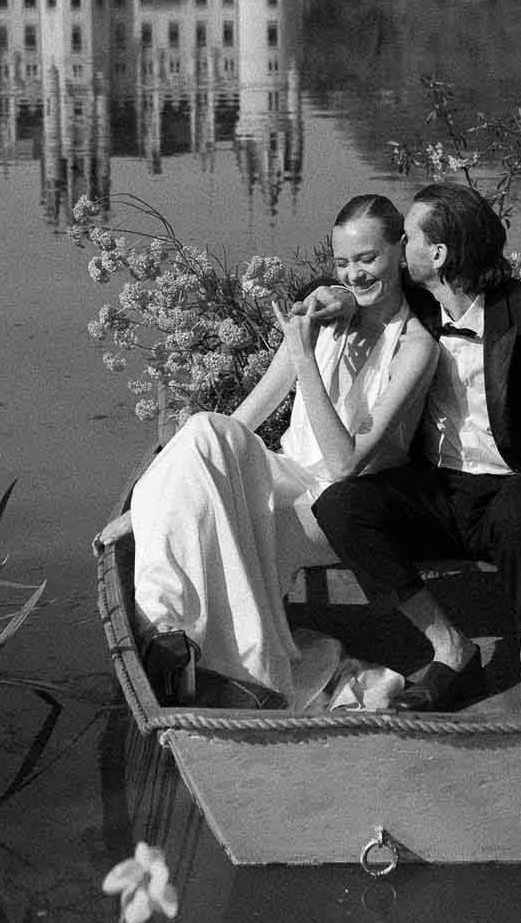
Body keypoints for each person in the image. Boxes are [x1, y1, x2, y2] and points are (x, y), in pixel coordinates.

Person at [312, 182, 521, 715]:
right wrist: (337, 294)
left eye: (406, 236)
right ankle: (449, 645)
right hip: (436, 486)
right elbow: (357, 282)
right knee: (341, 505)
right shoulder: (417, 302)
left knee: (518, 510)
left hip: (511, 489)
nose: (398, 244)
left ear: (437, 254)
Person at [128, 194, 438, 709]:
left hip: (339, 506)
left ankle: (253, 673)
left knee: (219, 514)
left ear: (401, 250)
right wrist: (151, 494)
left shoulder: (414, 347)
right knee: (206, 429)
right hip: (286, 472)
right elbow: (248, 414)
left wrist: (304, 352)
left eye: (368, 259)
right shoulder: (330, 311)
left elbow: (345, 464)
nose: (355, 275)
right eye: (342, 263)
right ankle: (167, 630)